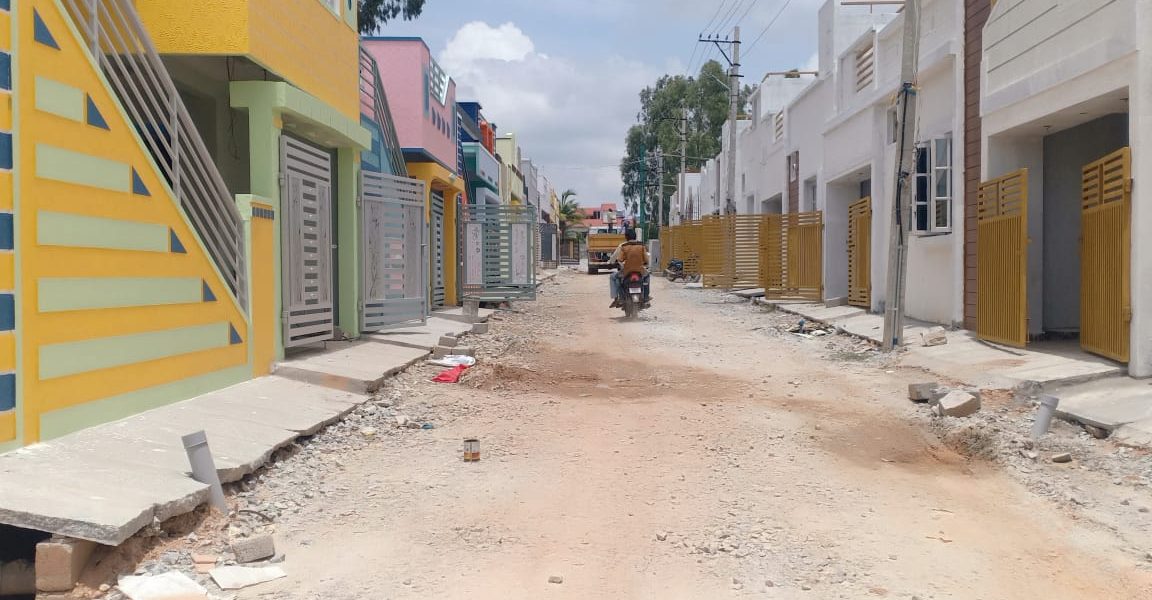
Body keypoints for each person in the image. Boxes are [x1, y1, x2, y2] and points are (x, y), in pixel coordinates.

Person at [608, 228, 650, 308]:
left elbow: (620, 259)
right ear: (635, 236)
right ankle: (646, 298)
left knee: (614, 277)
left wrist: (617, 262)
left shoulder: (623, 246)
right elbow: (646, 260)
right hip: (640, 271)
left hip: (627, 272)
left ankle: (617, 298)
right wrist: (645, 264)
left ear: (626, 237)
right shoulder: (641, 246)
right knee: (647, 277)